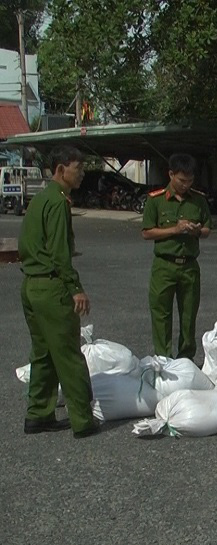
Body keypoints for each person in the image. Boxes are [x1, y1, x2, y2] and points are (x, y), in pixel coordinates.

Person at [18, 145, 100, 438]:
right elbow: (59, 253)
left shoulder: (39, 199)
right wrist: (75, 288)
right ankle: (82, 420)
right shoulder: (58, 203)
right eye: (78, 168)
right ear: (61, 169)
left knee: (43, 353)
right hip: (52, 287)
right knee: (67, 353)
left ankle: (38, 414)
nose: (82, 174)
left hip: (31, 285)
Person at [141, 153, 212, 359]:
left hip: (189, 266)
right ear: (171, 174)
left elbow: (207, 229)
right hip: (164, 265)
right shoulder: (155, 200)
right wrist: (175, 229)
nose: (185, 185)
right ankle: (163, 358)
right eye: (182, 180)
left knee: (189, 316)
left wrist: (196, 231)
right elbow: (147, 232)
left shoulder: (198, 200)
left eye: (190, 181)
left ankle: (186, 359)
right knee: (161, 315)